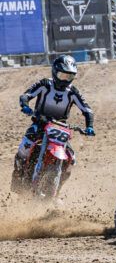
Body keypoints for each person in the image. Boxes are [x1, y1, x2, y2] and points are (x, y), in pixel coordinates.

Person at [14, 55, 95, 185]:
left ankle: (57, 192)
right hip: (40, 123)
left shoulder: (72, 92)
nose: (65, 80)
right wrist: (25, 105)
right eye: (62, 75)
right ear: (55, 71)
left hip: (60, 128)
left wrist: (89, 125)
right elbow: (26, 95)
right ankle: (18, 180)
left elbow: (87, 110)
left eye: (69, 77)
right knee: (24, 148)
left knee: (72, 160)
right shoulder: (45, 84)